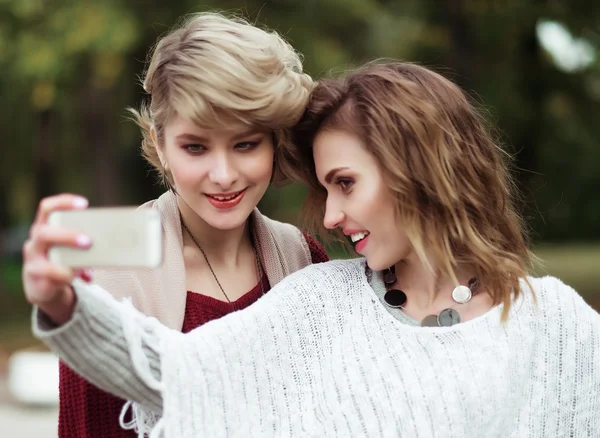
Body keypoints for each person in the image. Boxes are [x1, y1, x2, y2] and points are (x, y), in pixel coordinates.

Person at [24, 61, 600, 437]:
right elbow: (167, 369)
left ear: (420, 169)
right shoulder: (320, 304)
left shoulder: (560, 325)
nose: (329, 215)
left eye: (345, 183)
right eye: (325, 188)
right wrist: (63, 304)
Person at [30, 12, 328, 438]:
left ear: (275, 142)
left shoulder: (303, 258)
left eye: (245, 144)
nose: (223, 174)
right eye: (196, 147)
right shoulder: (104, 277)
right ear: (160, 144)